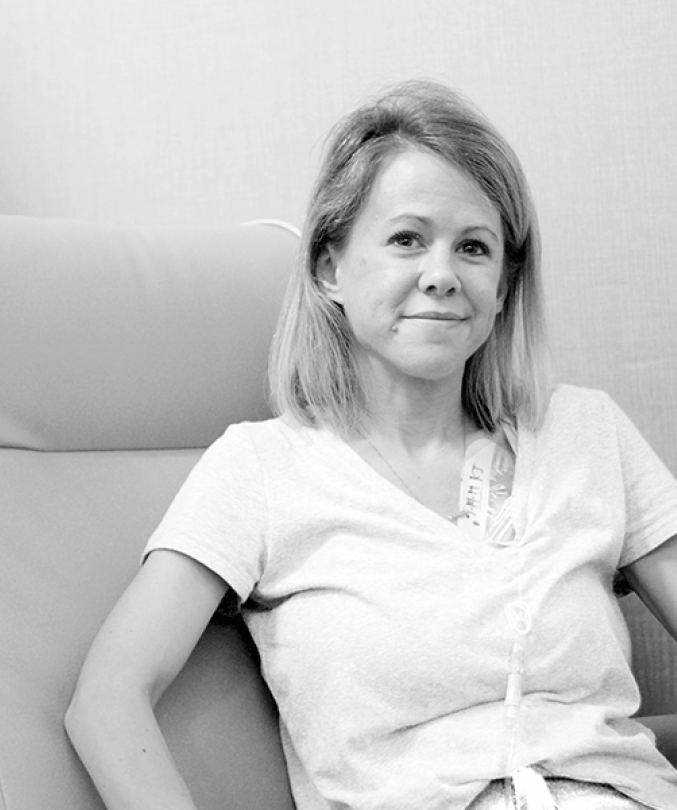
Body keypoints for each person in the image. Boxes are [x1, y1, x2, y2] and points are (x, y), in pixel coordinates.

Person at [64, 80, 677, 810]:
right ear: (330, 269)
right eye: (406, 239)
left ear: (506, 285)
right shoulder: (262, 470)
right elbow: (105, 701)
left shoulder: (587, 434)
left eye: (474, 248)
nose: (442, 276)